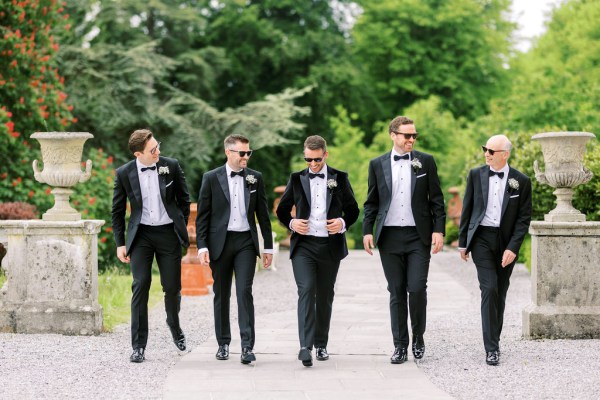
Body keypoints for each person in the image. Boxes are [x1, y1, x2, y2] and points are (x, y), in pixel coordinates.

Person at [363, 116, 445, 364]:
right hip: (389, 237)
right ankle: (400, 346)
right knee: (396, 292)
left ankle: (418, 335)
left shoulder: (426, 162)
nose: (411, 139)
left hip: (417, 236)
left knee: (417, 288)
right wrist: (367, 230)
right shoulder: (377, 164)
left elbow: (437, 200)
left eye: (414, 136)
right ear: (393, 135)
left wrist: (439, 230)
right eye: (407, 135)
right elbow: (372, 202)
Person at [276, 135, 359, 367]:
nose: (312, 164)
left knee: (324, 295)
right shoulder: (296, 178)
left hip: (329, 246)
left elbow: (353, 209)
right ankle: (305, 346)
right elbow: (282, 210)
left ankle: (321, 344)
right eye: (308, 159)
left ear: (325, 154)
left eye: (316, 159)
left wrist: (342, 224)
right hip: (304, 245)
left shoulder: (339, 178)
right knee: (306, 290)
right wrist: (292, 224)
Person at [112, 129, 191, 363]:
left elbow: (184, 200)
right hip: (141, 236)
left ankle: (174, 325)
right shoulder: (125, 173)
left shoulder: (171, 166)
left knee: (172, 286)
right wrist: (120, 243)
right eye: (153, 150)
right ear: (139, 153)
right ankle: (138, 346)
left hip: (168, 233)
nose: (159, 151)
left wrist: (179, 226)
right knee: (141, 285)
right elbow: (117, 211)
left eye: (158, 146)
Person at [195, 134, 273, 365]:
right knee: (221, 293)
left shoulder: (255, 178)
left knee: (244, 291)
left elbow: (263, 216)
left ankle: (247, 346)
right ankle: (223, 343)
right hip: (220, 243)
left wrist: (267, 247)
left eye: (249, 152)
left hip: (246, 244)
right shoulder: (211, 178)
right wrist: (202, 247)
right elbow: (203, 217)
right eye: (242, 153)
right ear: (228, 152)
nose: (246, 157)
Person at [458, 134, 532, 366]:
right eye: (485, 149)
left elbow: (523, 219)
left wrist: (513, 247)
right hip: (481, 238)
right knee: (488, 289)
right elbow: (467, 209)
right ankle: (491, 348)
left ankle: (494, 339)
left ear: (505, 154)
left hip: (505, 242)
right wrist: (463, 241)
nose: (486, 154)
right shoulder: (475, 174)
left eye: (491, 151)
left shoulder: (521, 181)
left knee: (500, 291)